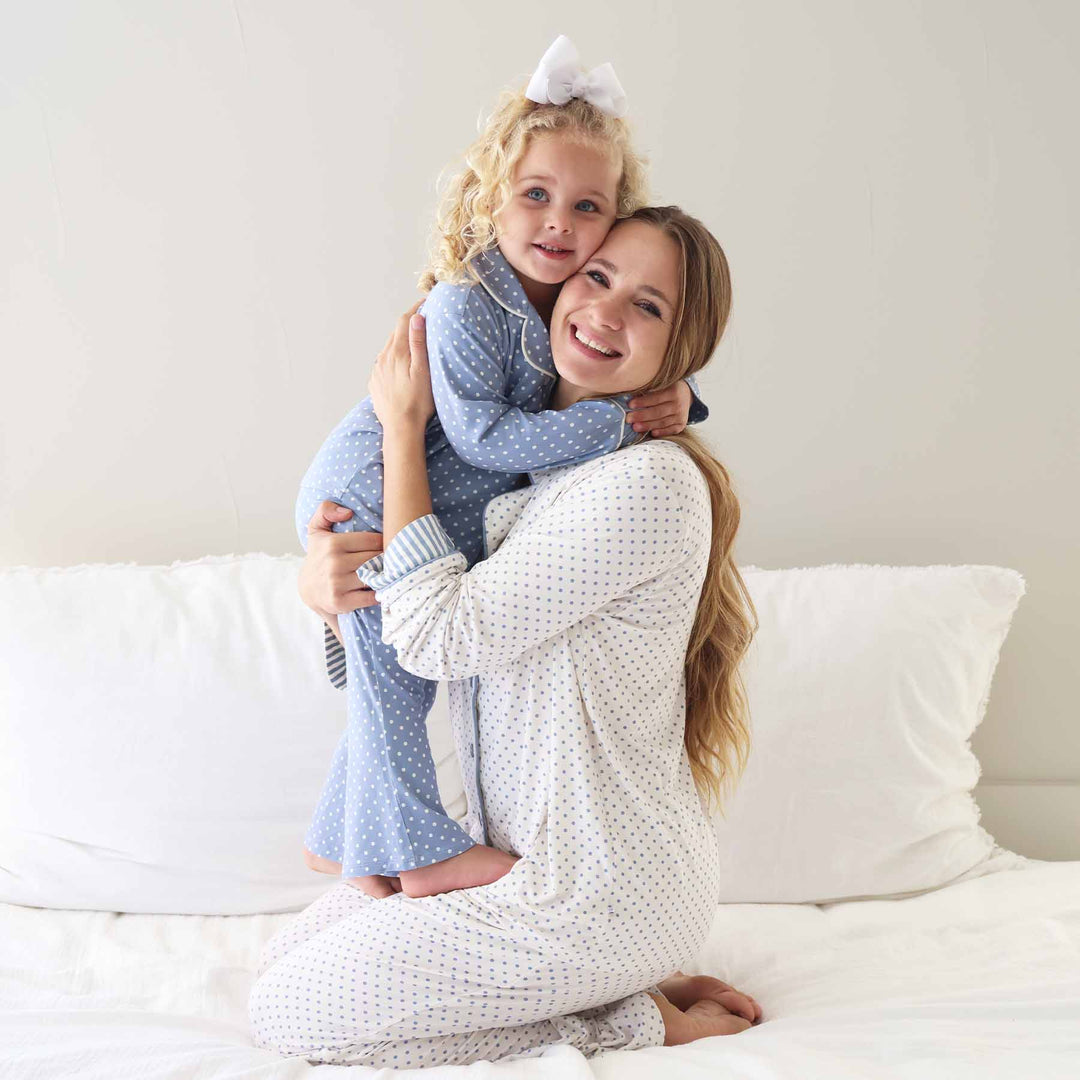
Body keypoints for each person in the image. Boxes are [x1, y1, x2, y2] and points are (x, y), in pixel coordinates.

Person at [249, 206, 762, 1067]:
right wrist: (322, 576)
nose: (604, 311)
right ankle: (606, 982)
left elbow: (438, 636)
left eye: (649, 306)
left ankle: (632, 1018)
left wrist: (404, 431)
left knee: (293, 1016)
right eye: (597, 278)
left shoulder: (647, 483)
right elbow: (398, 615)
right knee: (281, 965)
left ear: (683, 353)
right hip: (528, 873)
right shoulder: (526, 473)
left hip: (597, 891)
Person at [294, 36, 710, 900]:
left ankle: (343, 839)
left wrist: (681, 399)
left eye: (587, 207)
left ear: (612, 220)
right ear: (491, 201)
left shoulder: (562, 295)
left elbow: (626, 329)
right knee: (393, 690)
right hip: (370, 489)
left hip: (420, 514)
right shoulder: (465, 300)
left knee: (392, 683)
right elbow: (483, 438)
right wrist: (618, 423)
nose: (559, 222)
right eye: (535, 196)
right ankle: (413, 848)